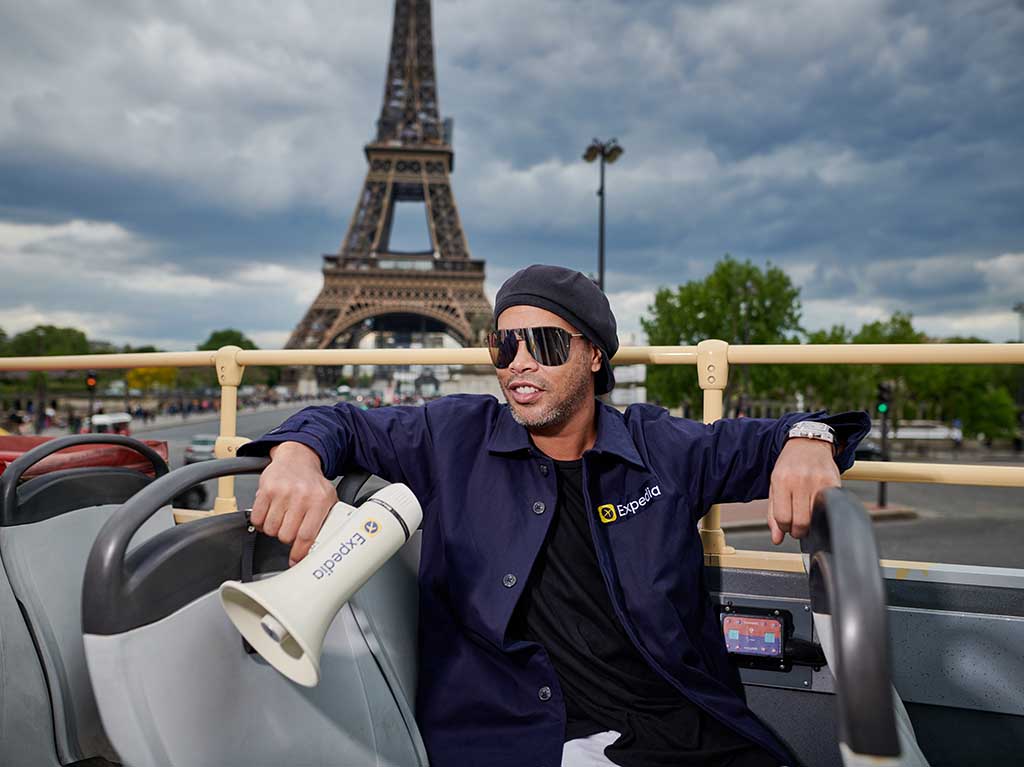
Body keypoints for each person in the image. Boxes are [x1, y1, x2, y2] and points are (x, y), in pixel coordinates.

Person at [239, 264, 870, 767]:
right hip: (520, 737)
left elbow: (783, 436)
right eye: (502, 344)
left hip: (681, 733)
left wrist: (810, 441)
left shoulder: (661, 449)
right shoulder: (452, 436)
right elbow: (340, 419)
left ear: (594, 356)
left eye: (541, 343)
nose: (518, 362)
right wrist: (295, 455)